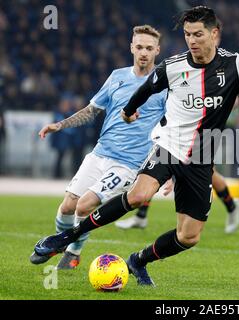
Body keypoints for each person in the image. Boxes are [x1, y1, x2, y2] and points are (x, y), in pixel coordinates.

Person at [32, 6, 239, 286]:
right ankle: (64, 238)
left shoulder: (237, 65)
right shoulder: (173, 66)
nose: (192, 40)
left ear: (214, 34)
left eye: (198, 34)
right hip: (169, 144)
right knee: (139, 196)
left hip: (202, 153)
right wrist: (128, 110)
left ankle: (138, 261)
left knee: (189, 236)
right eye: (187, 34)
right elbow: (146, 89)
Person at [30, 25, 168, 269]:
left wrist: (170, 169)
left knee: (84, 205)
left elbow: (171, 127)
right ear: (131, 48)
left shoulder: (164, 85)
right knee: (67, 206)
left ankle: (73, 253)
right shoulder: (117, 76)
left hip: (128, 163)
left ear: (157, 50)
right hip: (99, 153)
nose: (143, 52)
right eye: (139, 47)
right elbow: (92, 110)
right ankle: (61, 242)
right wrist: (60, 125)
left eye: (149, 48)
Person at [115, 167, 239, 234]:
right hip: (174, 130)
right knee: (154, 167)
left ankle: (231, 206)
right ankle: (141, 216)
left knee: (210, 172)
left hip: (197, 131)